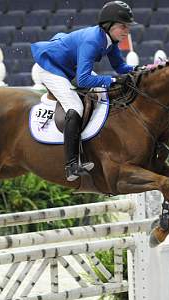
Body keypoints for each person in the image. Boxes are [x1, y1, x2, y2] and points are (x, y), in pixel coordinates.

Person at [31, 1, 136, 182]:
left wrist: (142, 70)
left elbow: (121, 67)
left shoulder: (110, 40)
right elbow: (83, 80)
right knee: (75, 106)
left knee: (102, 93)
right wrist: (111, 80)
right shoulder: (93, 40)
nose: (126, 30)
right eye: (122, 26)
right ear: (108, 25)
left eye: (128, 26)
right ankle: (71, 164)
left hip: (70, 67)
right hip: (50, 66)